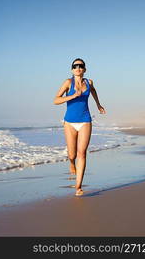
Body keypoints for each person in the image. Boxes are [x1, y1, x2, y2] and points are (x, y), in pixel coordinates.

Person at [54, 58, 106, 196]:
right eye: (75, 66)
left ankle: (78, 187)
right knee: (72, 154)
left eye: (80, 66)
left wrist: (98, 104)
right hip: (69, 122)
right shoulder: (68, 83)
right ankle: (71, 163)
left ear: (84, 69)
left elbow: (93, 91)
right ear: (72, 69)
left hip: (85, 121)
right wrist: (72, 96)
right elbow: (56, 100)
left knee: (82, 153)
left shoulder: (89, 82)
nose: (78, 68)